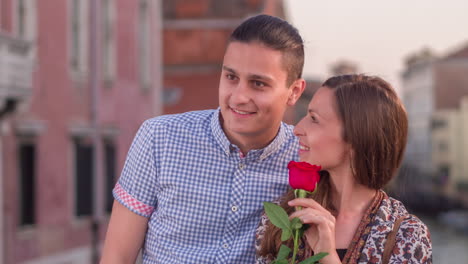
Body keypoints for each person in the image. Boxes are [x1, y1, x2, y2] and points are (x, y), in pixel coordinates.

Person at [100, 14, 306, 264]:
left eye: (258, 84)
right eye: (231, 77)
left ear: (294, 92)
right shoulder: (159, 138)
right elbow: (117, 256)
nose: (239, 96)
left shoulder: (305, 157)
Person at [256, 74, 432, 264]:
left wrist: (328, 256)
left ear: (356, 137)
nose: (297, 128)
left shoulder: (406, 236)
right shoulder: (280, 217)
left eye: (314, 119)